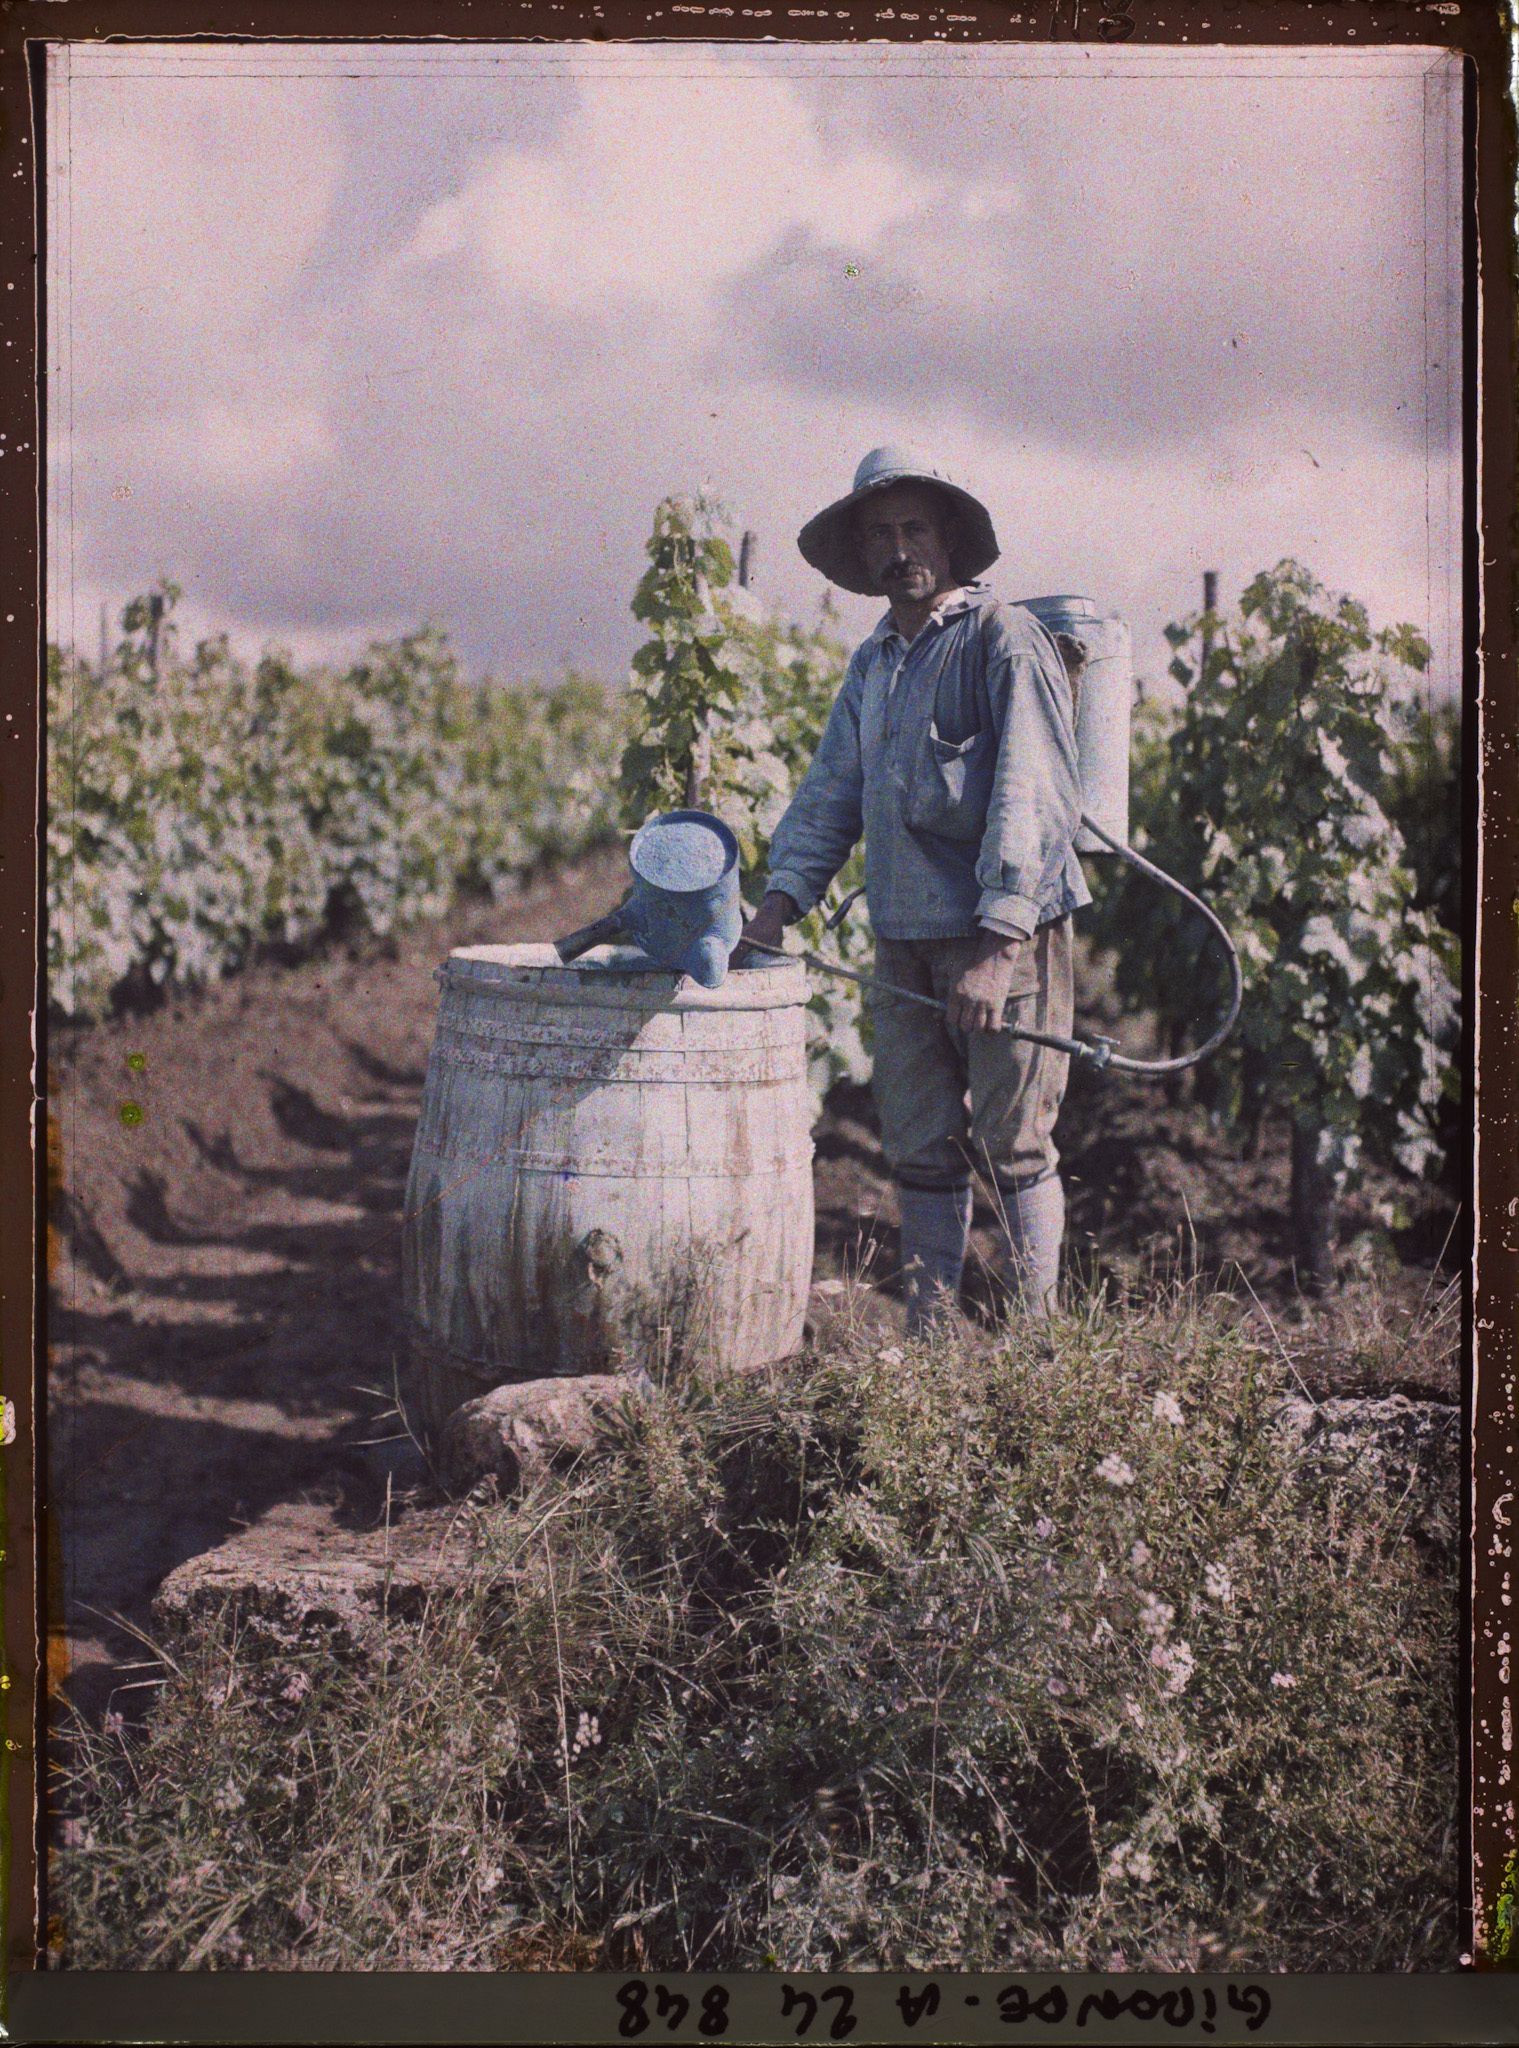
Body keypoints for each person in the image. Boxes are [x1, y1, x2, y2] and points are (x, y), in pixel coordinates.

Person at [740, 446, 1089, 1327]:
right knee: (919, 1147)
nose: (899, 548)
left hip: (999, 939)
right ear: (862, 555)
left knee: (1013, 1147)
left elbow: (1033, 799)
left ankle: (1032, 1350)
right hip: (900, 940)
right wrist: (776, 907)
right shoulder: (873, 665)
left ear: (950, 539)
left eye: (915, 528)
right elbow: (831, 792)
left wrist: (997, 948)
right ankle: (931, 1339)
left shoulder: (1001, 640)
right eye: (880, 534)